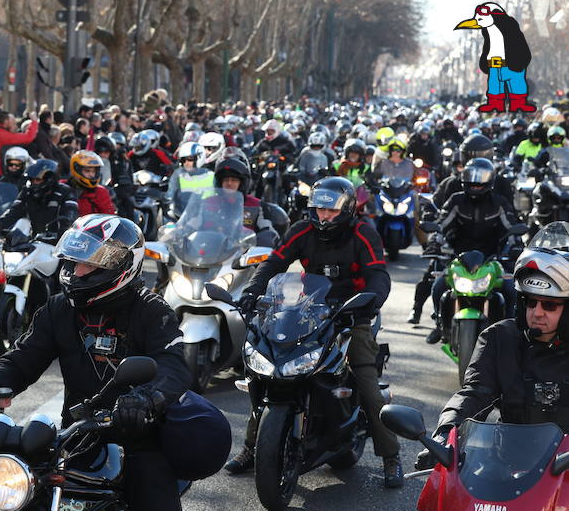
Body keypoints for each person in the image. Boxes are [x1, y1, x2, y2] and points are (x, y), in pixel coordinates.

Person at [0, 213, 215, 511]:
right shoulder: (59, 310)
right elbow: (20, 359)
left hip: (139, 440)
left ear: (118, 265)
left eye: (86, 264)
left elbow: (173, 369)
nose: (75, 272)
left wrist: (145, 399)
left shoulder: (150, 310)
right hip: (76, 438)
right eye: (73, 262)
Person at [229, 177, 404, 487]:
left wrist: (370, 302)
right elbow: (275, 262)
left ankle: (391, 457)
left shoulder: (363, 233)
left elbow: (378, 275)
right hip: (310, 310)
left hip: (353, 314)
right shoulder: (302, 230)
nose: (324, 216)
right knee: (265, 370)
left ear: (347, 210)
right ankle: (250, 447)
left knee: (365, 381)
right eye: (319, 209)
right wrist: (253, 289)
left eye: (331, 211)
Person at [417, 237, 569, 470]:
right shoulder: (500, 337)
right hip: (509, 465)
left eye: (549, 305)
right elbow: (475, 393)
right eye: (530, 302)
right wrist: (445, 433)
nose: (537, 313)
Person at [426, 158, 517, 344]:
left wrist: (515, 246)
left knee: (510, 289)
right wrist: (435, 242)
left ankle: (511, 330)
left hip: (492, 258)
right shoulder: (456, 200)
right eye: (472, 178)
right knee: (438, 286)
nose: (475, 184)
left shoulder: (499, 203)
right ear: (464, 178)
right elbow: (441, 224)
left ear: (490, 180)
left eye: (480, 179)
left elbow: (511, 227)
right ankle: (439, 324)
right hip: (459, 257)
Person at [0, 159, 77, 236]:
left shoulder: (65, 192)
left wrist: (61, 232)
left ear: (49, 179)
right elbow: (14, 211)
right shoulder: (27, 191)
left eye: (37, 180)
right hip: (31, 240)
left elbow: (69, 217)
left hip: (56, 243)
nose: (34, 183)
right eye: (31, 180)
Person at [433, 134, 514, 209]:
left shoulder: (501, 183)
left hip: (494, 224)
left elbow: (511, 217)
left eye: (482, 155)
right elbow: (439, 213)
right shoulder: (452, 183)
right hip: (460, 225)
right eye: (470, 156)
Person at [0, 110, 39, 178]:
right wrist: (34, 122)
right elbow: (28, 137)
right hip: (0, 172)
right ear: (6, 122)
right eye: (13, 123)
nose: (16, 127)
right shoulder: (2, 135)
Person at [67, 151, 116, 216]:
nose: (91, 175)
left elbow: (110, 219)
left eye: (94, 171)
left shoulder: (100, 192)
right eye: (87, 171)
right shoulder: (64, 187)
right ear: (76, 169)